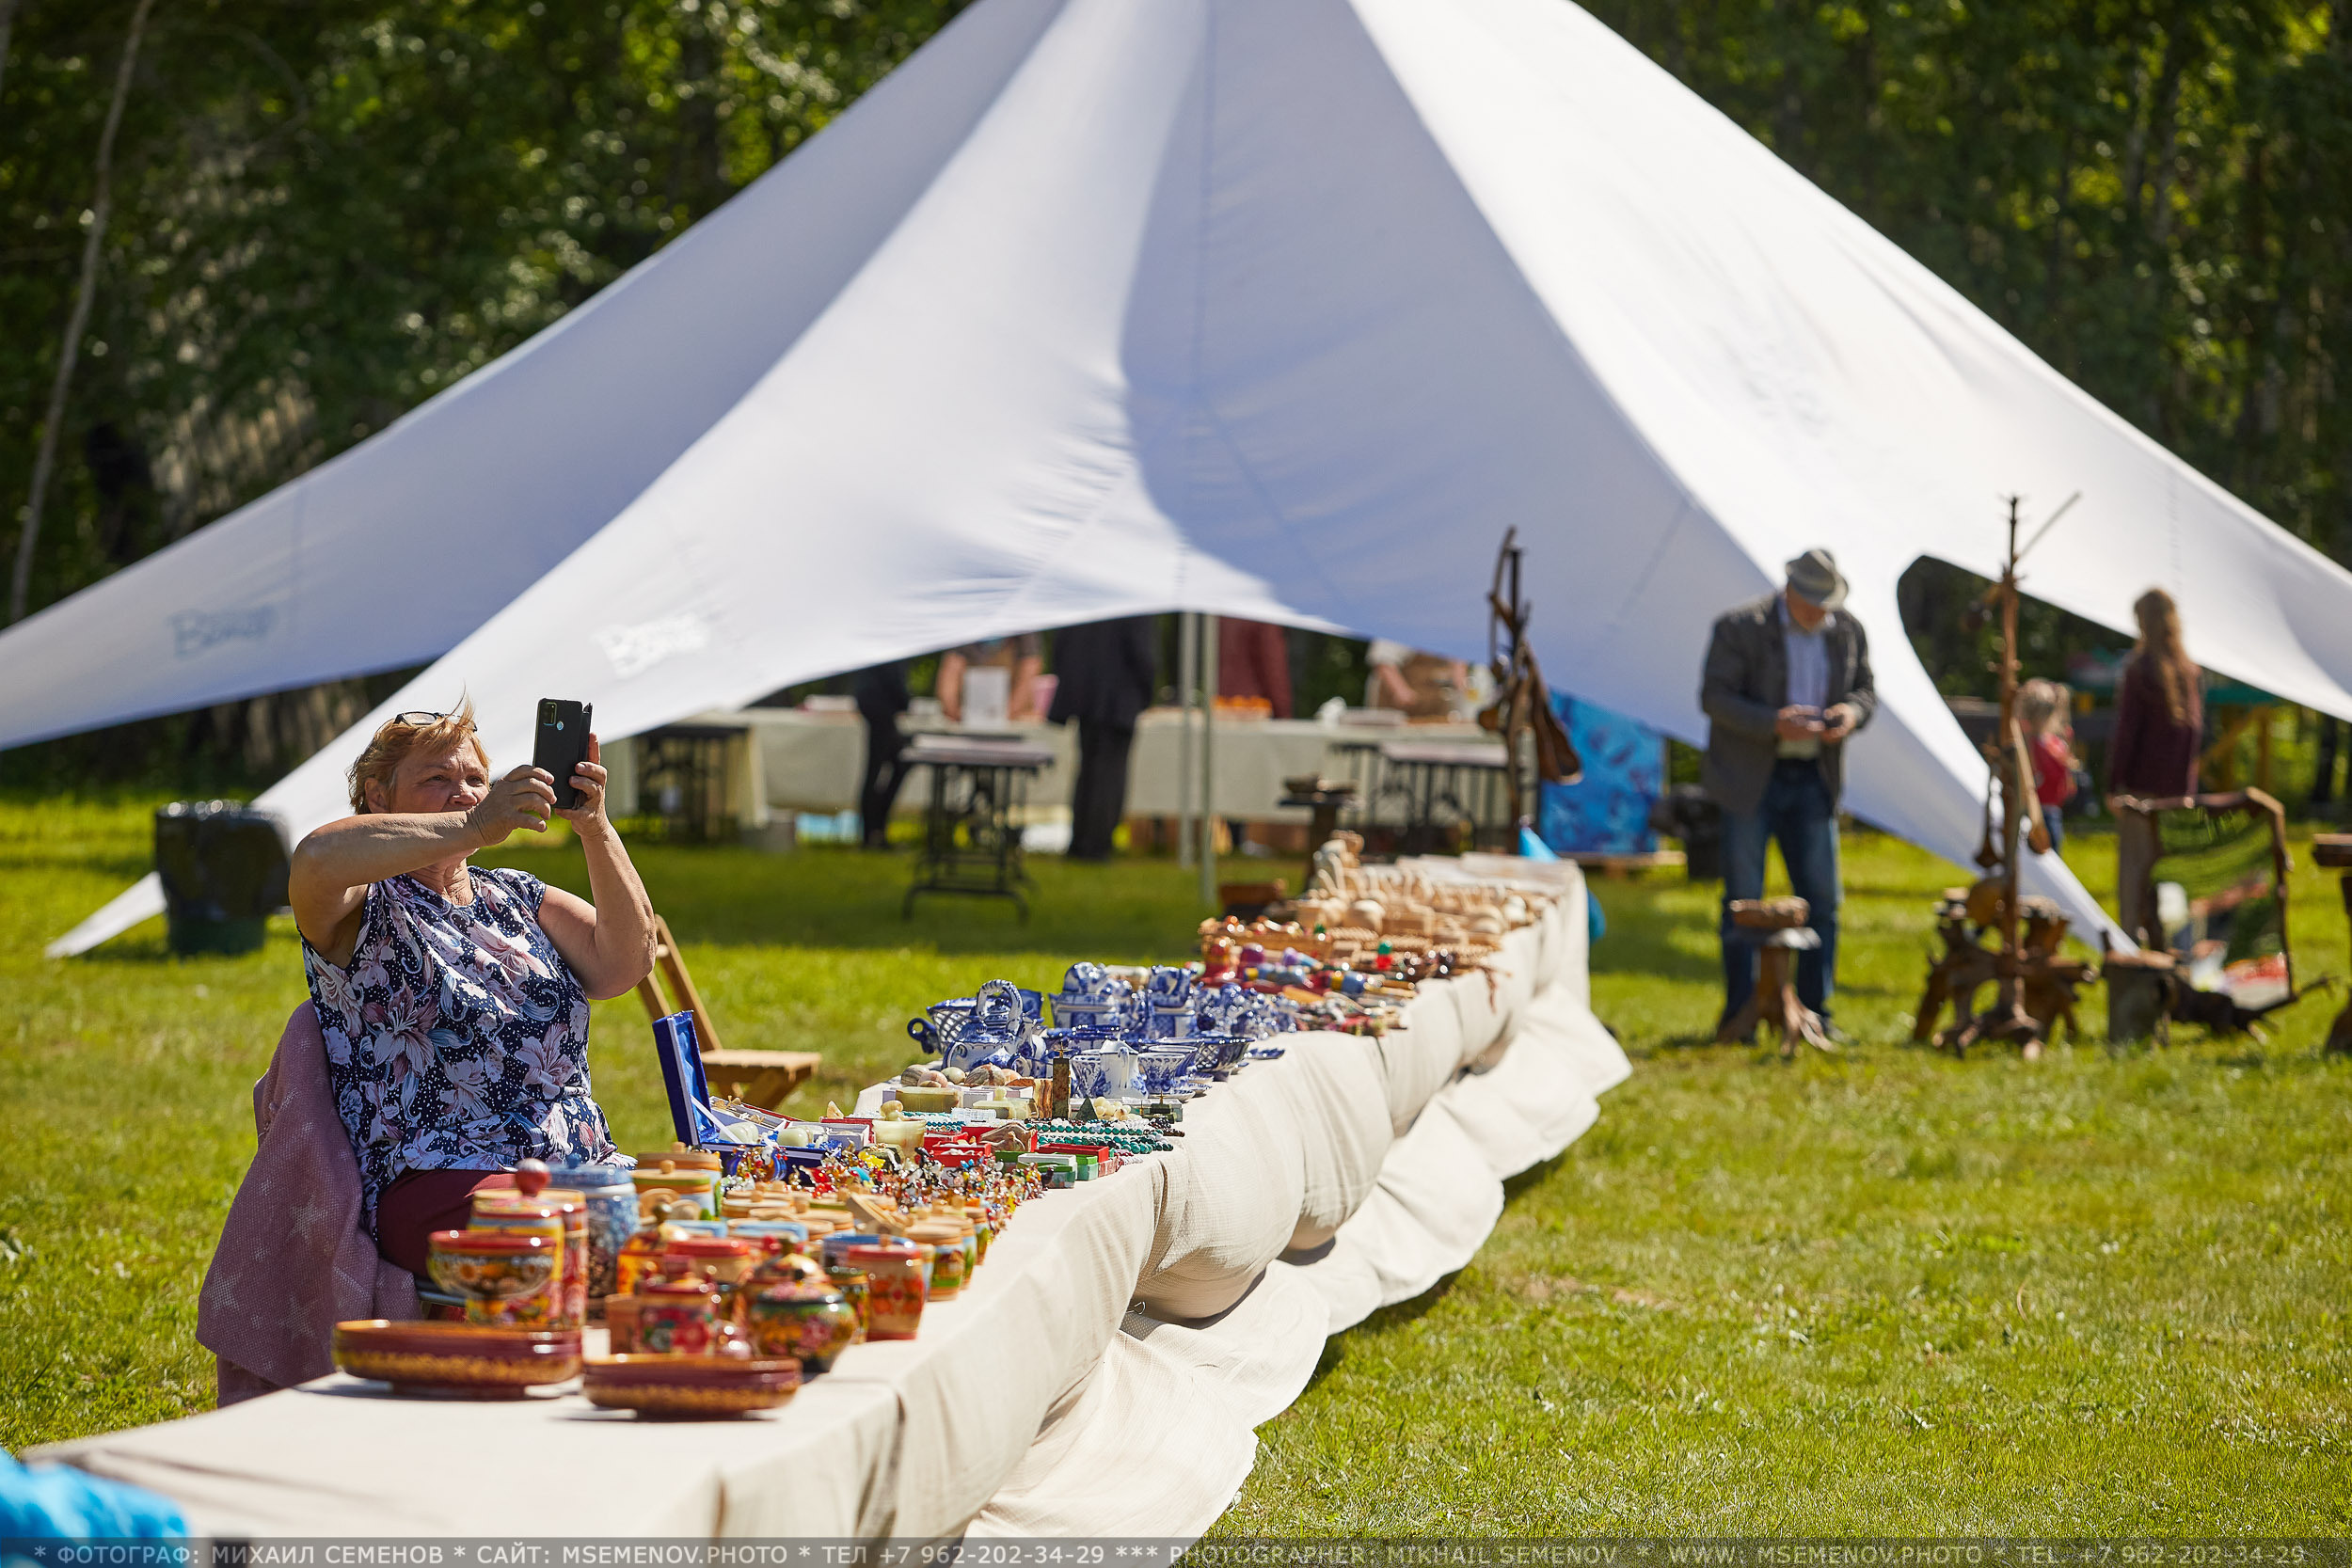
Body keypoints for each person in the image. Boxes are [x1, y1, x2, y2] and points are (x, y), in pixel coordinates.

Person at [288, 704, 655, 1276]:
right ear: (377, 798)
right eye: (436, 779)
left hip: (577, 1173)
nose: (462, 793)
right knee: (587, 1257)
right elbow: (314, 858)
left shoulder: (514, 896)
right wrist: (475, 827)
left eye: (475, 780)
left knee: (704, 1232)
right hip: (444, 1181)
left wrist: (594, 826)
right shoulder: (365, 904)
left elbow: (626, 963)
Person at [1699, 548, 1877, 1033]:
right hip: (1751, 779)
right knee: (1743, 899)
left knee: (1822, 899)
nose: (1821, 611)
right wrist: (1773, 724)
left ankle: (1817, 1013)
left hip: (1813, 780)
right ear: (1790, 591)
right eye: (1813, 601)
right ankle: (1742, 1013)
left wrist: (1850, 715)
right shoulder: (1739, 627)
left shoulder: (1846, 631)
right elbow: (1714, 698)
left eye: (1827, 601)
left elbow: (1865, 691)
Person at [2108, 586, 2204, 941]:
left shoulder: (2139, 670)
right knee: (2169, 875)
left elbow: (2126, 734)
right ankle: (2173, 944)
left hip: (2140, 795)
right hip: (2175, 796)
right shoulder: (2188, 672)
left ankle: (2133, 946)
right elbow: (2192, 738)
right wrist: (2185, 791)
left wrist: (2113, 785)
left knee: (2134, 877)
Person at [1047, 617, 1159, 861]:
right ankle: (1096, 846)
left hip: (1085, 696)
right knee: (1109, 776)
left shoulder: (1088, 597)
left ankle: (1080, 842)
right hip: (1119, 699)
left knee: (1088, 773)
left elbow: (1061, 645)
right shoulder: (1136, 603)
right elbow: (1143, 654)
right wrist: (1145, 693)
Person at [852, 660, 911, 849]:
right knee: (878, 770)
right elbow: (892, 677)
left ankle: (874, 830)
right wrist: (906, 702)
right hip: (880, 707)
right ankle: (872, 833)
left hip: (876, 705)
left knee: (897, 765)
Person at [2020, 678, 2080, 853]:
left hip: (2039, 812)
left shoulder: (2034, 745)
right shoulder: (2048, 745)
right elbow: (2066, 785)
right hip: (2045, 812)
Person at [939, 634, 1043, 724]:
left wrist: (1010, 712)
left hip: (1016, 719)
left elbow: (1031, 665)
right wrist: (952, 708)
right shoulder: (967, 621)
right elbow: (952, 666)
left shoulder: (1022, 621)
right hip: (969, 717)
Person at [1364, 639, 1469, 719]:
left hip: (1435, 709)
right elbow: (1384, 663)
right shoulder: (1400, 621)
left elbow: (1458, 660)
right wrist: (1401, 691)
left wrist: (1459, 681)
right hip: (1399, 713)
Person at [1217, 618, 1295, 719]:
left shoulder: (1222, 613)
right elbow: (1273, 668)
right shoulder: (1262, 614)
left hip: (1220, 704)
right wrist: (1283, 714)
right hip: (1252, 707)